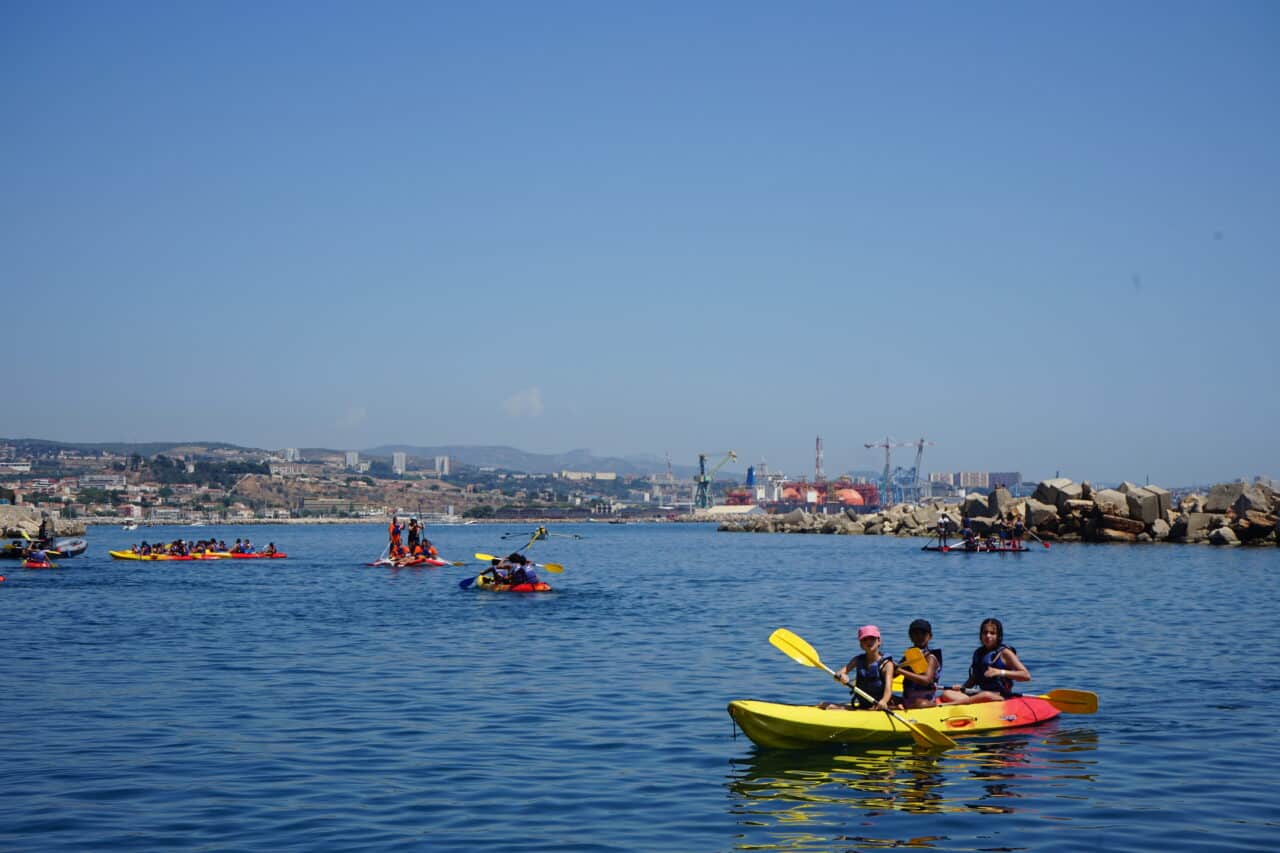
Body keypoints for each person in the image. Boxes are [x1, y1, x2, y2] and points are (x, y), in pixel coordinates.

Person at [939, 618, 1030, 705]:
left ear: (998, 636)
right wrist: (962, 688)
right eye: (985, 632)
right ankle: (970, 703)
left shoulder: (1005, 653)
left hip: (1000, 697)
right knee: (947, 693)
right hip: (980, 695)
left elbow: (1026, 676)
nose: (988, 636)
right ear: (981, 635)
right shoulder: (978, 653)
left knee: (986, 695)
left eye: (992, 633)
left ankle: (951, 704)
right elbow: (974, 679)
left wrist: (1000, 672)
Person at [819, 625, 895, 711]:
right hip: (863, 705)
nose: (868, 642)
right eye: (864, 639)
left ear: (879, 641)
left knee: (831, 707)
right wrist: (843, 676)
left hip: (880, 706)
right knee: (823, 704)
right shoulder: (857, 660)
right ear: (861, 644)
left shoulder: (887, 665)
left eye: (872, 638)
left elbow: (888, 689)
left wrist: (884, 701)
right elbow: (838, 674)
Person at [896, 619, 942, 709]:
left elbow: (926, 680)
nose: (919, 636)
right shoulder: (909, 656)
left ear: (930, 636)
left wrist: (900, 671)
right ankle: (898, 706)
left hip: (924, 700)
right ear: (910, 636)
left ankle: (899, 708)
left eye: (923, 633)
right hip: (907, 699)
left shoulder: (931, 658)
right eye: (916, 633)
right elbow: (894, 673)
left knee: (919, 703)